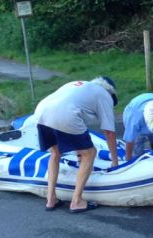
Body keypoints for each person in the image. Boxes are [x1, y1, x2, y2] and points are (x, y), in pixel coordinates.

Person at [34, 76, 119, 213]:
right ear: (111, 92)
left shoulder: (79, 85)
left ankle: (51, 200)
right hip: (65, 113)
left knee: (55, 153)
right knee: (90, 153)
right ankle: (77, 201)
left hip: (41, 112)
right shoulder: (105, 95)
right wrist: (115, 161)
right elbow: (109, 132)